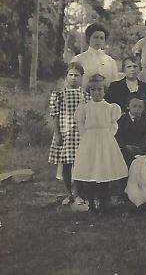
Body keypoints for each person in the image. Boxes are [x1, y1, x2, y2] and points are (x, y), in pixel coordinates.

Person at [72, 74, 128, 213]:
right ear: (89, 91)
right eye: (93, 90)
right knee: (89, 171)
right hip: (90, 141)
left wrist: (107, 137)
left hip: (105, 141)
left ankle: (103, 203)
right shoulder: (84, 108)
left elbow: (113, 125)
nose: (96, 92)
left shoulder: (110, 108)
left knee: (104, 171)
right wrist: (87, 137)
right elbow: (81, 125)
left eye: (99, 89)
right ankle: (91, 203)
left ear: (104, 91)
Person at [48, 62, 90, 206]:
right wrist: (57, 134)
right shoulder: (58, 95)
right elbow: (55, 115)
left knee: (79, 164)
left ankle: (79, 193)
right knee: (66, 164)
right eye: (70, 75)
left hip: (80, 135)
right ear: (66, 77)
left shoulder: (85, 96)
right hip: (65, 134)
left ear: (82, 78)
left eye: (77, 75)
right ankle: (69, 193)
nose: (73, 78)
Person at [71, 22, 119, 88]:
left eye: (101, 38)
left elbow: (114, 85)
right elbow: (71, 82)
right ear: (88, 38)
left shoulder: (111, 62)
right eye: (95, 37)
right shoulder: (78, 59)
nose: (98, 41)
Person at [115, 92, 146, 167]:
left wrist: (142, 148)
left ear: (143, 108)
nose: (137, 109)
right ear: (128, 107)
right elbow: (118, 137)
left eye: (140, 106)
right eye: (134, 106)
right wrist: (125, 147)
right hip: (125, 151)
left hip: (142, 151)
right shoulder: (121, 120)